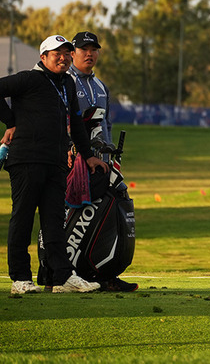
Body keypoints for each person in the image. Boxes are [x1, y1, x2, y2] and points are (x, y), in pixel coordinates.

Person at [0, 34, 109, 294]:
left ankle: (62, 276)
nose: (62, 57)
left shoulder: (67, 85)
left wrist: (87, 155)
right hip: (27, 159)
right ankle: (20, 278)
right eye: (56, 53)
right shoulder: (30, 78)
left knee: (54, 222)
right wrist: (10, 122)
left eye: (65, 53)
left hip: (55, 163)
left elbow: (75, 123)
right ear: (43, 57)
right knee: (23, 218)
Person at [68, 30, 138, 293]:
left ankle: (105, 272)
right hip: (72, 162)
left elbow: (105, 126)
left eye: (94, 49)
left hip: (101, 165)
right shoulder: (65, 82)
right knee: (72, 217)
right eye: (84, 49)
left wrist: (108, 161)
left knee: (108, 214)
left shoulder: (100, 87)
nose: (89, 53)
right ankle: (69, 273)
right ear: (72, 53)